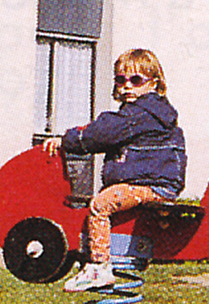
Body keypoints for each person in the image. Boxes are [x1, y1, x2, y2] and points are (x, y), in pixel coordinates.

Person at [44, 48, 186, 292]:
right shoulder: (151, 114)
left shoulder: (140, 113)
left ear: (154, 83)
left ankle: (99, 267)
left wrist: (68, 140)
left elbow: (101, 133)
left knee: (100, 205)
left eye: (136, 80)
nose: (127, 86)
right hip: (155, 184)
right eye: (121, 80)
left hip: (149, 185)